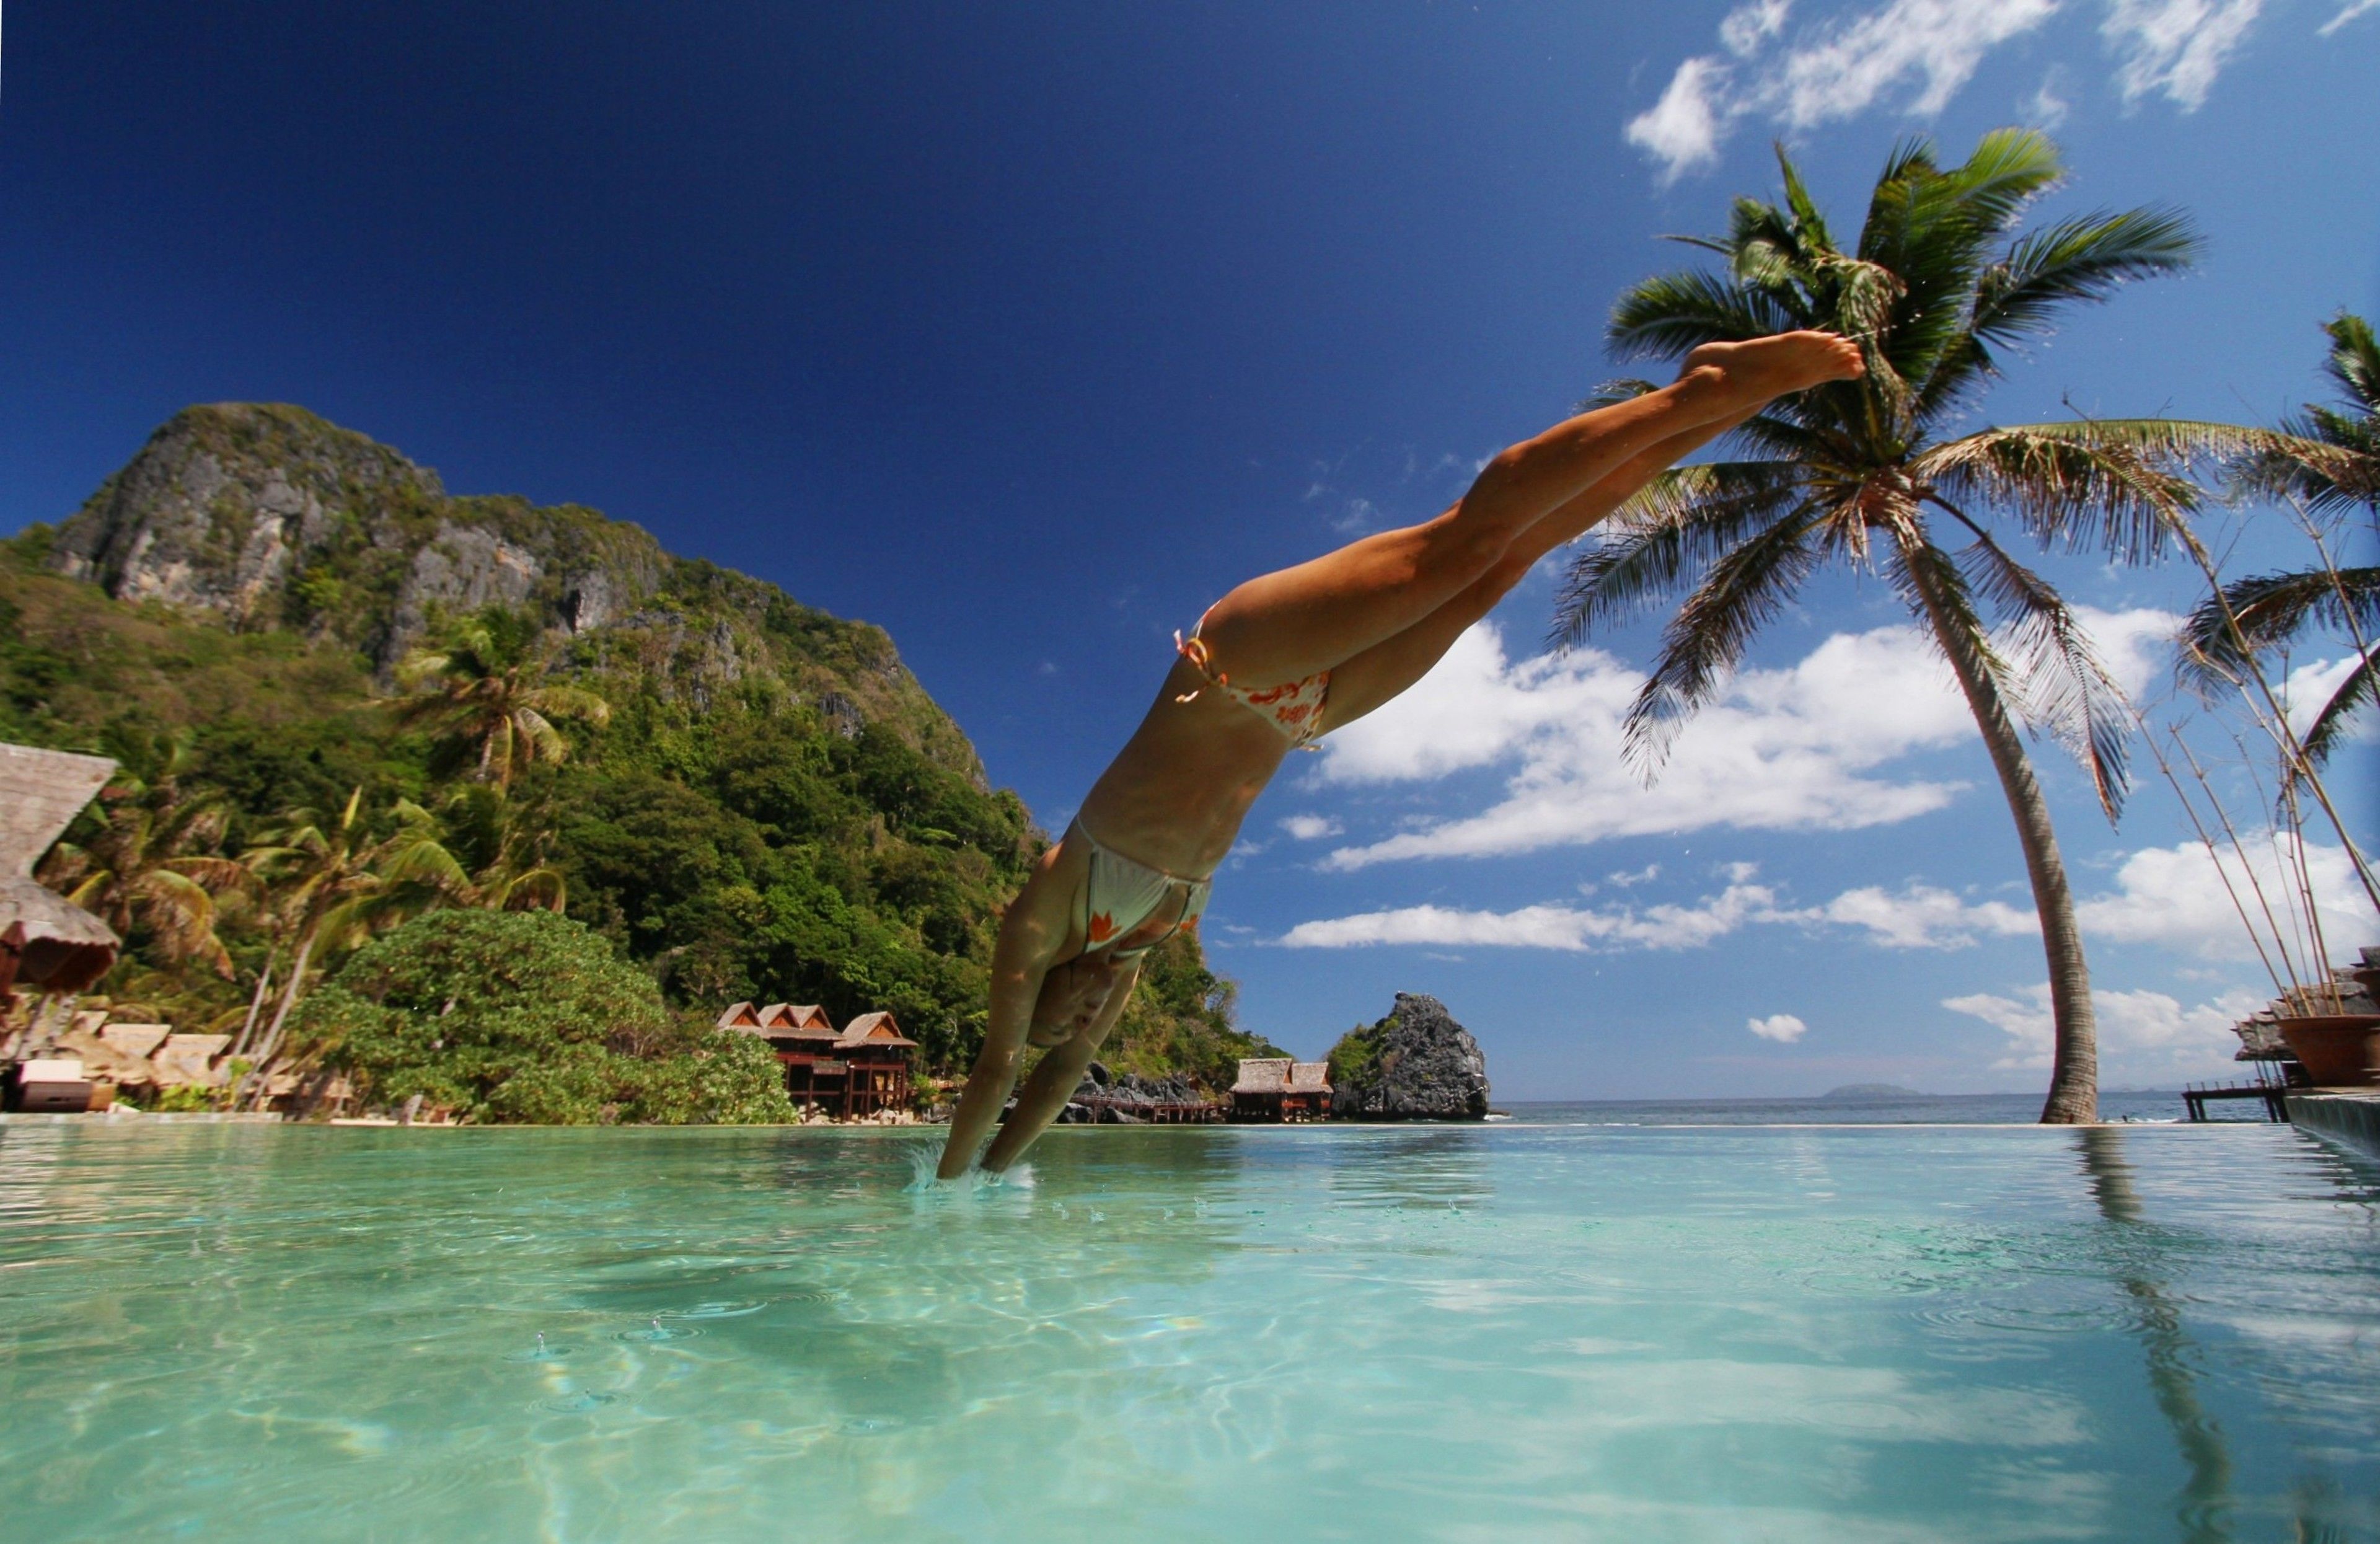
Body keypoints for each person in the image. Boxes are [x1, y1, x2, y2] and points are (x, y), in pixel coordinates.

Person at [937, 330, 1863, 1179]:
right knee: (1499, 573)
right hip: (1304, 715)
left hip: (1233, 667)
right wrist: (986, 1189)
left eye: (1059, 1019)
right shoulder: (1128, 953)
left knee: (1462, 544)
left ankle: (1698, 389)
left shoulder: (1043, 915)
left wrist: (945, 1182)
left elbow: (1002, 1068)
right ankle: (1716, 404)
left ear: (1039, 988)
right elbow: (1058, 1080)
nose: (1078, 1027)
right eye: (1076, 1029)